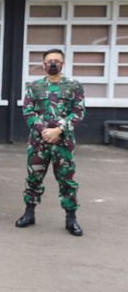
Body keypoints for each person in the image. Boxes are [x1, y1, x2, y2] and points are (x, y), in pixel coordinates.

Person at [16, 49, 85, 236]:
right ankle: (29, 214)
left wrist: (59, 130)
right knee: (33, 179)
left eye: (57, 60)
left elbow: (78, 112)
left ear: (63, 63)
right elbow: (28, 111)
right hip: (39, 142)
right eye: (49, 61)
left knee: (67, 181)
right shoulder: (34, 86)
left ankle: (71, 220)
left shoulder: (74, 86)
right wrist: (43, 131)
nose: (53, 64)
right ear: (44, 64)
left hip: (63, 142)